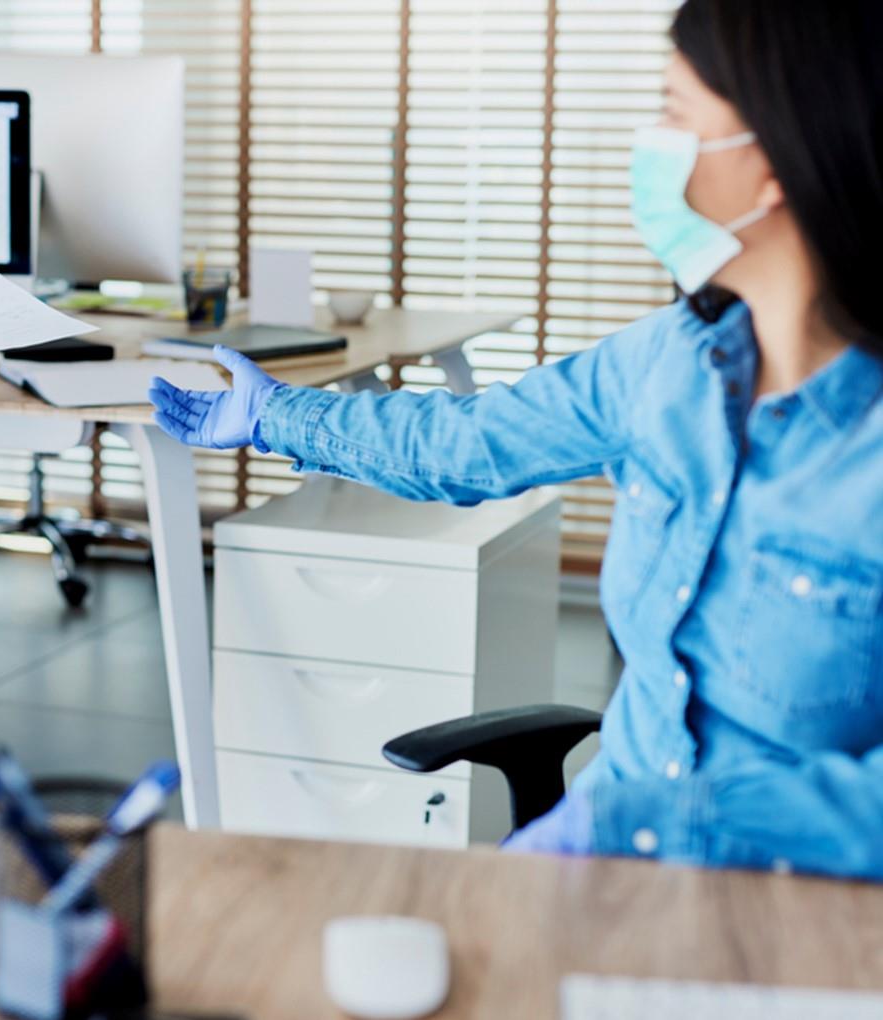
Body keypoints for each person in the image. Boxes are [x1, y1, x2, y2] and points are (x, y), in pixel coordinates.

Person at [151, 0, 882, 880]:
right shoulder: (673, 364)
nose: (652, 142)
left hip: (801, 918)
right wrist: (274, 415)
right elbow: (468, 444)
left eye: (675, 112)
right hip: (615, 882)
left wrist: (657, 823)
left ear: (770, 168)